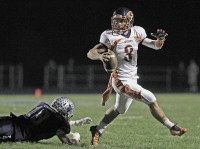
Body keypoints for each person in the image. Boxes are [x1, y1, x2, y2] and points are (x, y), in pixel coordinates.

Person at [87, 7, 187, 146]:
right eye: (115, 21)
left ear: (129, 21)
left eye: (120, 21)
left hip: (132, 78)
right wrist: (100, 56)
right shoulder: (109, 35)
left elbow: (156, 46)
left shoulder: (137, 31)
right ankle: (172, 127)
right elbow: (91, 53)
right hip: (120, 80)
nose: (116, 24)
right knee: (150, 98)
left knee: (119, 109)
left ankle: (97, 130)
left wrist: (160, 39)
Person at [0, 96, 92, 145]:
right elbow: (68, 143)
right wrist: (76, 137)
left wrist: (78, 122)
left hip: (9, 120)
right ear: (64, 111)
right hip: (13, 133)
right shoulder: (60, 125)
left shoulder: (44, 106)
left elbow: (51, 121)